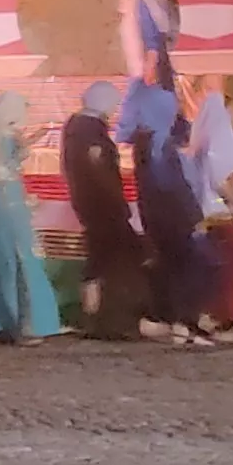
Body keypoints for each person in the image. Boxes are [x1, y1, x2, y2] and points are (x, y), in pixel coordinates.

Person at [0, 91, 64, 344]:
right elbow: (3, 170)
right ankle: (26, 324)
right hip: (7, 200)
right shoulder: (6, 136)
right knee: (17, 257)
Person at [62, 79, 147, 340]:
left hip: (92, 204)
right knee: (111, 258)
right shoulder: (91, 133)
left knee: (100, 259)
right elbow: (101, 173)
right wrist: (119, 204)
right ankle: (109, 317)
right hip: (103, 207)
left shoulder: (76, 130)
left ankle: (96, 315)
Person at [129, 89, 212, 346]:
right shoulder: (161, 145)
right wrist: (195, 215)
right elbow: (173, 185)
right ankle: (184, 323)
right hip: (175, 215)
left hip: (155, 215)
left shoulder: (143, 141)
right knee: (190, 266)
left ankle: (173, 320)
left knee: (171, 266)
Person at [181, 78, 233, 336]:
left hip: (210, 213)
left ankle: (220, 317)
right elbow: (222, 180)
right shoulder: (223, 141)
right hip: (226, 214)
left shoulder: (200, 145)